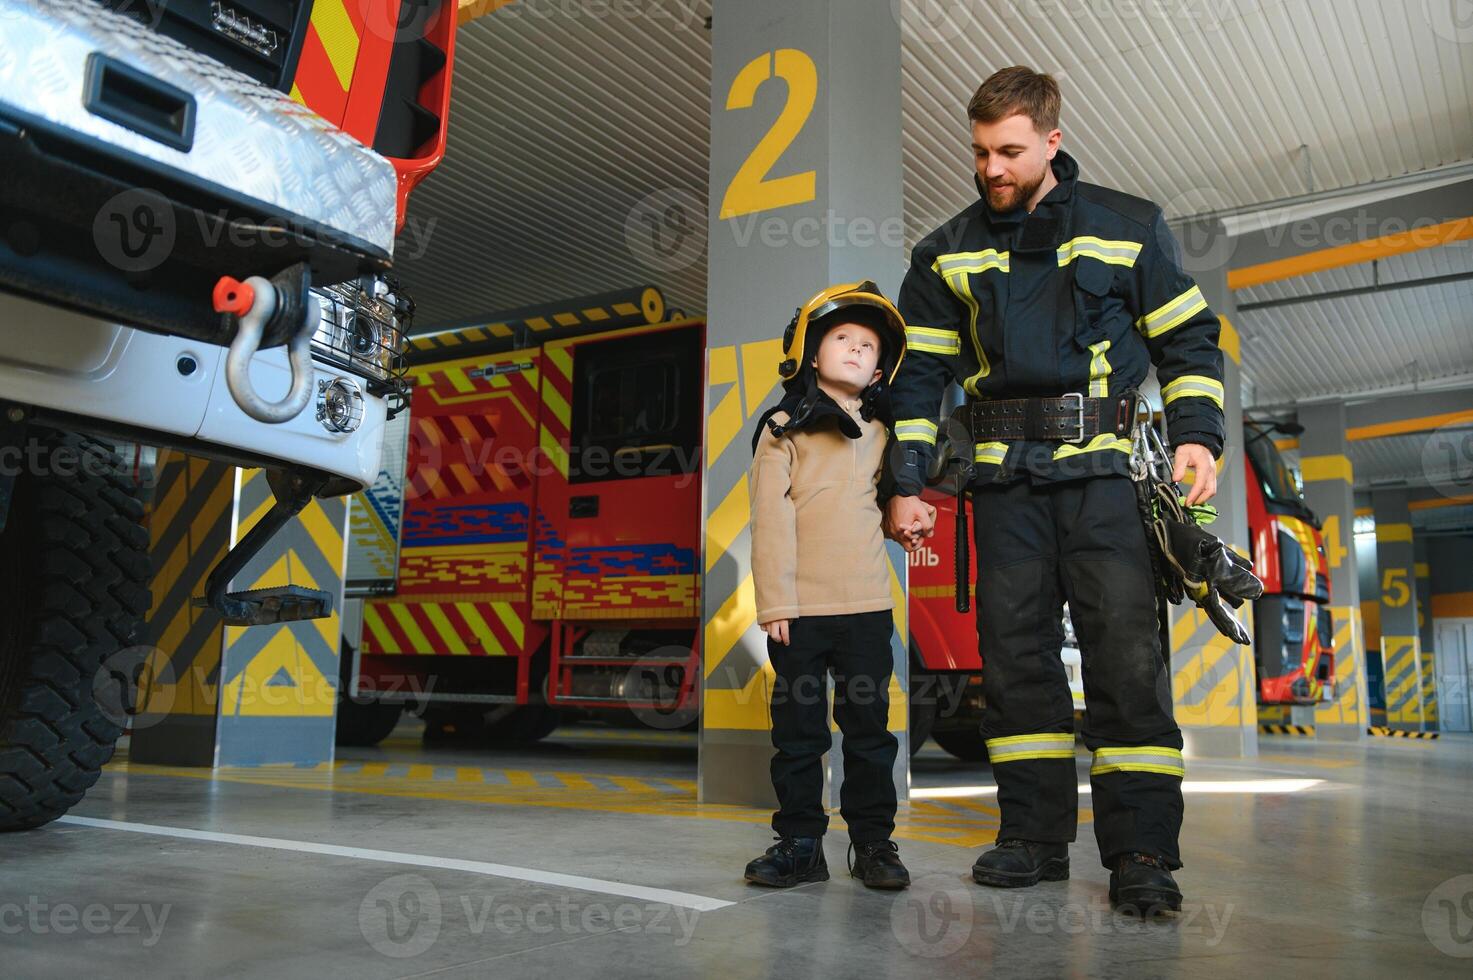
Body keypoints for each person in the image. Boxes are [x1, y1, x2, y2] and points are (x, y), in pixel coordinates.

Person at [883, 66, 1226, 914]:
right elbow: (918, 380)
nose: (991, 168)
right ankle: (1031, 838)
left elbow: (1188, 340)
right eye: (979, 152)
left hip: (1105, 476)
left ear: (1050, 141)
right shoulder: (942, 250)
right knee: (1013, 664)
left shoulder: (1127, 225)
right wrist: (904, 483)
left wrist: (1196, 437)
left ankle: (1142, 850)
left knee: (1125, 658)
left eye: (1008, 151)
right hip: (1002, 484)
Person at [743, 281, 927, 891]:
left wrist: (911, 514)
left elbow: (886, 506)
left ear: (881, 368)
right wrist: (775, 602)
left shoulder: (886, 432)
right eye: (841, 338)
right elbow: (770, 520)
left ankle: (873, 842)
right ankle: (799, 842)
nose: (854, 349)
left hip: (868, 609)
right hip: (800, 610)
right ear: (812, 354)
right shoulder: (781, 428)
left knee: (872, 733)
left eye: (868, 345)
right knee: (798, 734)